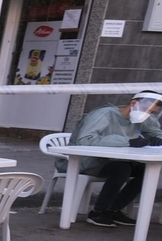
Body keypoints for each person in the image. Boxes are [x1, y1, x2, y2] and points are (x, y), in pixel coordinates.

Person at [68, 90, 162, 228]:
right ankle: (98, 212)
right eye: (147, 110)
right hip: (89, 161)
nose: (148, 114)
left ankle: (113, 209)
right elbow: (85, 139)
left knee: (147, 170)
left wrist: (157, 139)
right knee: (121, 169)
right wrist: (127, 142)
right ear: (133, 103)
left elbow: (156, 132)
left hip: (118, 159)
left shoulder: (144, 118)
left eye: (152, 112)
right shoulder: (104, 114)